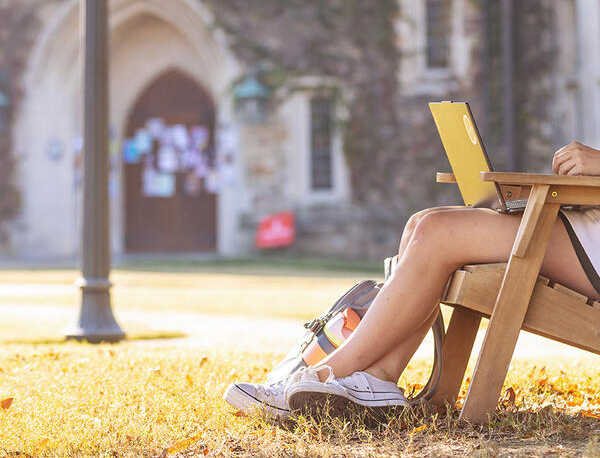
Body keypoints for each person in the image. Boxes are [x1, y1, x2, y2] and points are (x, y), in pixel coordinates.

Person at [224, 141, 600, 421]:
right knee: (421, 223)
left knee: (438, 231)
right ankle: (377, 381)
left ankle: (323, 374)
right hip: (584, 217)